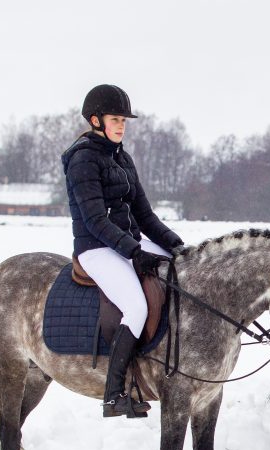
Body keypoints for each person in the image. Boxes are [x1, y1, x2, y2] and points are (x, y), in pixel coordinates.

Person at [61, 84, 185, 418]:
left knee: (180, 272)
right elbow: (96, 219)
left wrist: (177, 246)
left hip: (126, 242)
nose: (122, 126)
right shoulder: (82, 158)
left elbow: (144, 215)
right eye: (116, 119)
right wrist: (134, 252)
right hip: (96, 247)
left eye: (124, 121)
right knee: (136, 307)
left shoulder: (122, 157)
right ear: (95, 120)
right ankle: (114, 394)